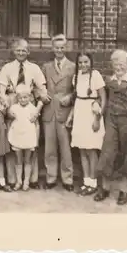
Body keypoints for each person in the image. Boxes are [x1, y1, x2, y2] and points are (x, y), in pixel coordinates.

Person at [94, 49, 127, 205]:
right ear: (112, 64)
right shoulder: (109, 82)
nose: (119, 67)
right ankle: (105, 187)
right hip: (111, 121)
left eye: (122, 63)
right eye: (115, 63)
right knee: (107, 153)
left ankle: (124, 191)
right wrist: (96, 104)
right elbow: (102, 98)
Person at [0, 38, 50, 190]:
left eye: (24, 50)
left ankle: (31, 178)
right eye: (18, 50)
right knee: (13, 142)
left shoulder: (34, 68)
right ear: (14, 51)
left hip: (30, 106)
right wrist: (7, 109)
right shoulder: (7, 68)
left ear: (28, 52)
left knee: (31, 142)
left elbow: (43, 91)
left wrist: (38, 110)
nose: (21, 53)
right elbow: (1, 92)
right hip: (13, 105)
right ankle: (14, 178)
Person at [65, 51, 107, 196]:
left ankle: (94, 182)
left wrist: (97, 118)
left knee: (91, 150)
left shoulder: (95, 75)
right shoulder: (76, 77)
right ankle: (86, 181)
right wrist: (71, 116)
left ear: (91, 62)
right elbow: (77, 99)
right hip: (80, 113)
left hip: (91, 113)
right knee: (82, 149)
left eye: (86, 62)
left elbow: (103, 97)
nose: (83, 65)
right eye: (81, 62)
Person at [40, 34, 76, 191]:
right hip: (49, 111)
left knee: (66, 148)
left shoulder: (73, 67)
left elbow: (78, 89)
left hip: (64, 112)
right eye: (57, 47)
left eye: (62, 47)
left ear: (66, 48)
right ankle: (51, 177)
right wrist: (40, 94)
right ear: (52, 48)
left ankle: (67, 178)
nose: (59, 50)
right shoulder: (46, 67)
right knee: (49, 148)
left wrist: (70, 97)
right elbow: (38, 86)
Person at [7, 84, 43, 191]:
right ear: (17, 98)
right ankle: (18, 181)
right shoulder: (14, 108)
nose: (22, 100)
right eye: (20, 97)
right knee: (18, 160)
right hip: (18, 136)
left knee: (28, 160)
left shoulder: (33, 109)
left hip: (29, 137)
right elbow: (10, 117)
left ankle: (26, 181)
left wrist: (36, 139)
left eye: (25, 97)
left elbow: (36, 124)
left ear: (30, 97)